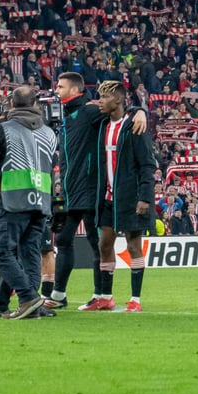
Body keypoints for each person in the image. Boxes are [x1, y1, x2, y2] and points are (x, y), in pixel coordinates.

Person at [50, 72, 146, 310]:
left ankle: (100, 294)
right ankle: (59, 295)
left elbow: (119, 109)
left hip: (91, 190)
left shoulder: (90, 111)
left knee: (97, 243)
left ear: (75, 90)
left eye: (61, 87)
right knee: (63, 239)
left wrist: (140, 110)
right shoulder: (65, 116)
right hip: (71, 190)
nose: (56, 90)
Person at [0, 87, 58, 319]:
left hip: (12, 198)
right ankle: (9, 303)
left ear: (11, 104)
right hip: (41, 199)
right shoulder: (49, 133)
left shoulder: (5, 128)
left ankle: (27, 297)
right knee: (29, 253)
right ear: (35, 104)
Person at [90, 81, 156, 312]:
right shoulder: (101, 125)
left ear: (118, 99)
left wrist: (144, 197)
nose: (100, 101)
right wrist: (140, 109)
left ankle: (135, 299)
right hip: (107, 198)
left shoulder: (134, 126)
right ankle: (106, 297)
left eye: (104, 97)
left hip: (130, 196)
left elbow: (147, 164)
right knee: (104, 244)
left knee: (133, 246)